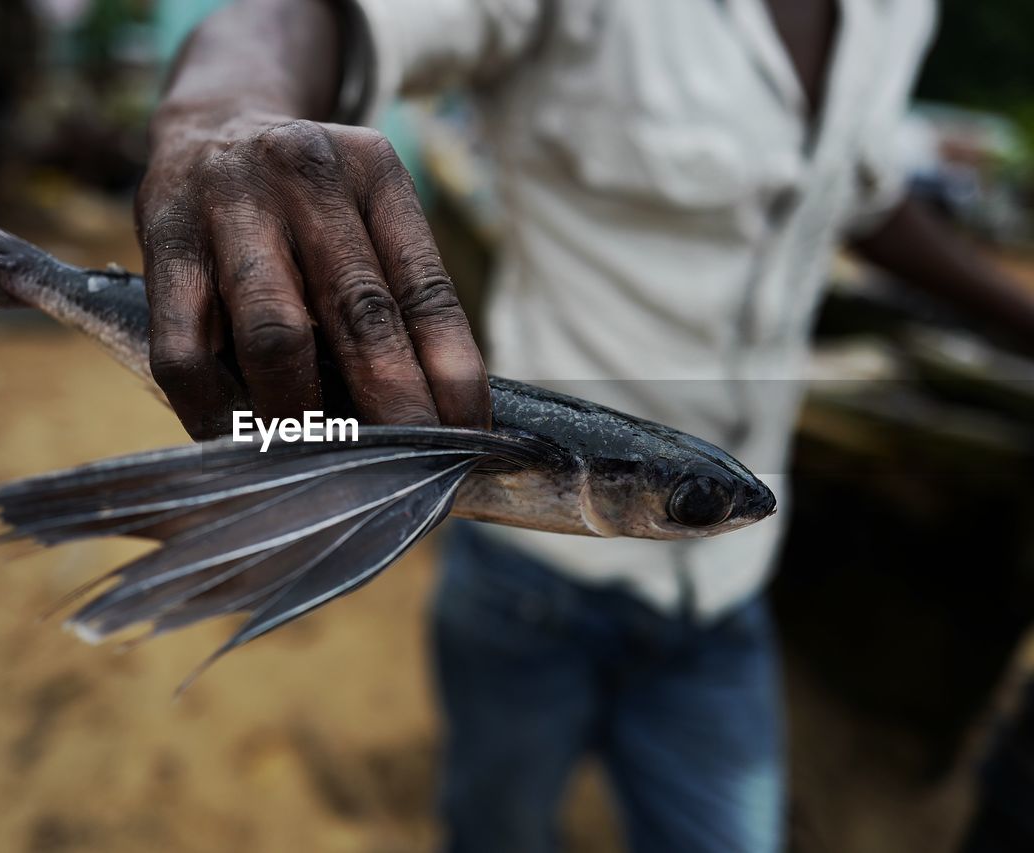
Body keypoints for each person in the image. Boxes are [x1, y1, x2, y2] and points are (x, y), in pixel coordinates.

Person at [136, 1, 1034, 851]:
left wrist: (1016, 313)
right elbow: (323, 18)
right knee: (498, 827)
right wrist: (222, 114)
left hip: (726, 591)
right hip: (533, 583)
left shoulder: (900, 13)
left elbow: (860, 193)